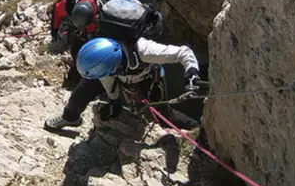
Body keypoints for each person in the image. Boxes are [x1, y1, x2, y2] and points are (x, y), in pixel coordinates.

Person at [44, 34, 200, 131]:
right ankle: (70, 117)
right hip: (119, 74)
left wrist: (192, 72)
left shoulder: (144, 50)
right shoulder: (103, 59)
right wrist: (114, 101)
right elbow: (106, 79)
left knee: (165, 116)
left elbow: (183, 52)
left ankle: (196, 127)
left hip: (148, 79)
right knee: (82, 90)